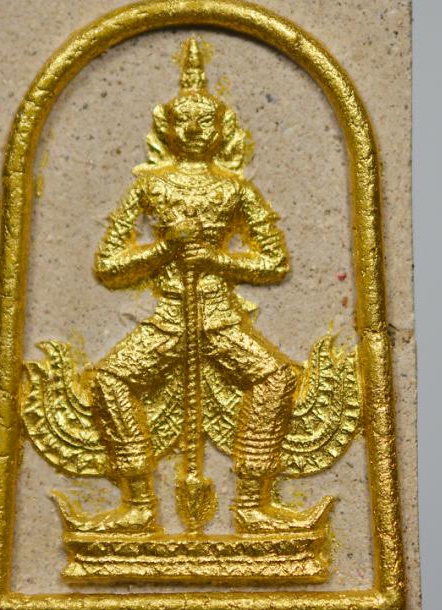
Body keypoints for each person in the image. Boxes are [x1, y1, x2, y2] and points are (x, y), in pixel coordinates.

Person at [92, 38, 306, 535]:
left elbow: (275, 262)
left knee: (276, 378)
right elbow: (108, 265)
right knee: (108, 381)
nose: (192, 130)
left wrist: (216, 258)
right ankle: (139, 502)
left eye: (204, 121)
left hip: (217, 317)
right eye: (183, 121)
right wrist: (164, 249)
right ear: (166, 129)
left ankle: (251, 502)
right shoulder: (149, 188)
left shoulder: (236, 190)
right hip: (170, 318)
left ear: (220, 130)